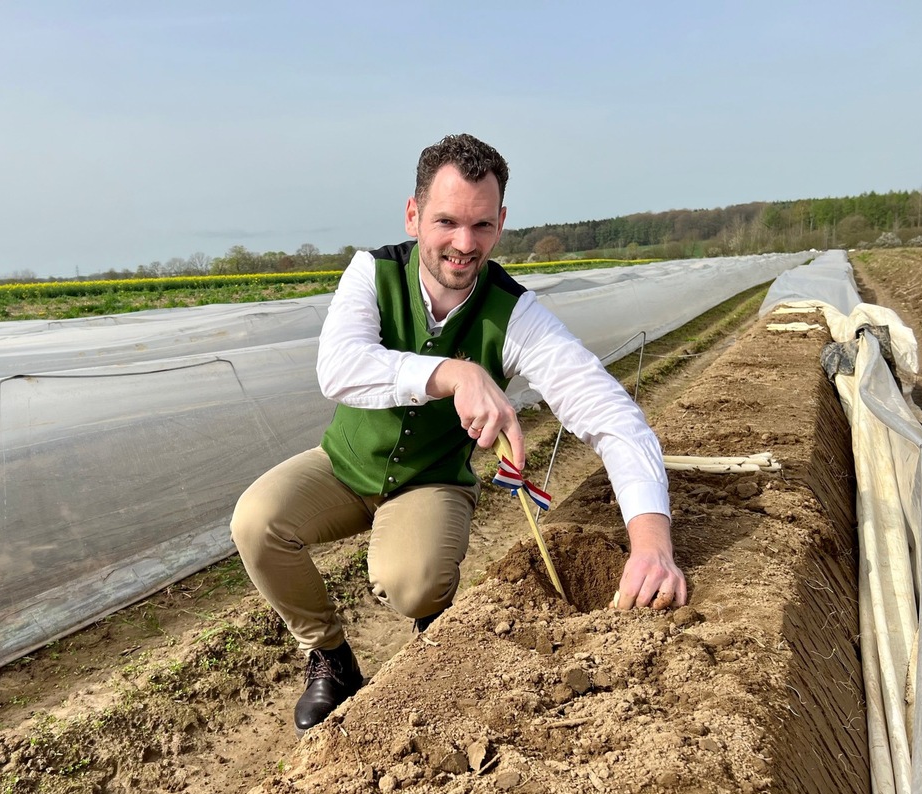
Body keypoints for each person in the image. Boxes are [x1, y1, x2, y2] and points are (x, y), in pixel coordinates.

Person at [231, 133, 686, 735]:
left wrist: (651, 541)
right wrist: (453, 372)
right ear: (413, 214)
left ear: (501, 223)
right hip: (344, 465)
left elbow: (610, 414)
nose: (463, 244)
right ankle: (333, 661)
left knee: (412, 584)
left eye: (481, 226)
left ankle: (436, 628)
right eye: (446, 221)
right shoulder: (372, 273)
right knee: (256, 522)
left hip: (431, 481)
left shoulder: (514, 313)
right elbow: (339, 367)